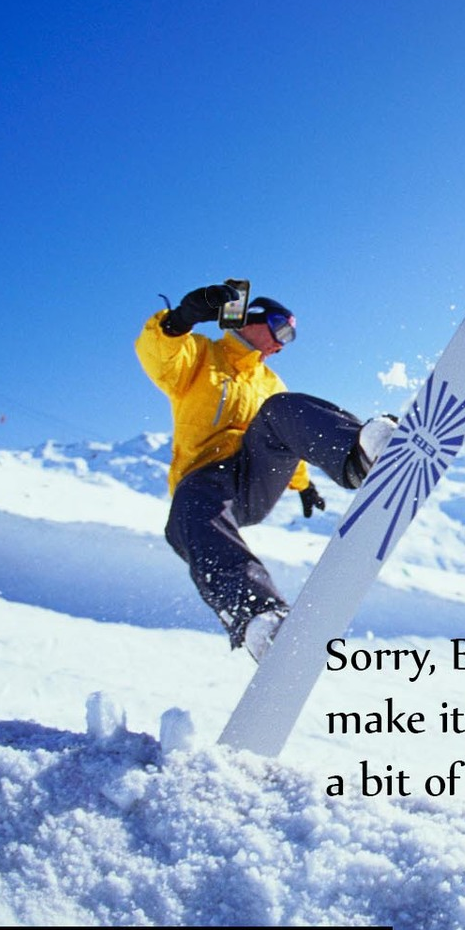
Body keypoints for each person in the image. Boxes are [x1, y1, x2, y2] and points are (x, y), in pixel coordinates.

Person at [136, 281, 396, 661]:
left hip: (251, 481)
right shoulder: (200, 356)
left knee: (280, 408)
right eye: (282, 330)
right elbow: (159, 357)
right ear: (252, 320)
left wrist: (303, 485)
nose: (282, 344)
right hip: (206, 484)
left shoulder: (270, 383)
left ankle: (360, 455)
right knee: (188, 513)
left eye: (290, 337)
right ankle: (259, 617)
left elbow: (287, 434)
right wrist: (179, 321)